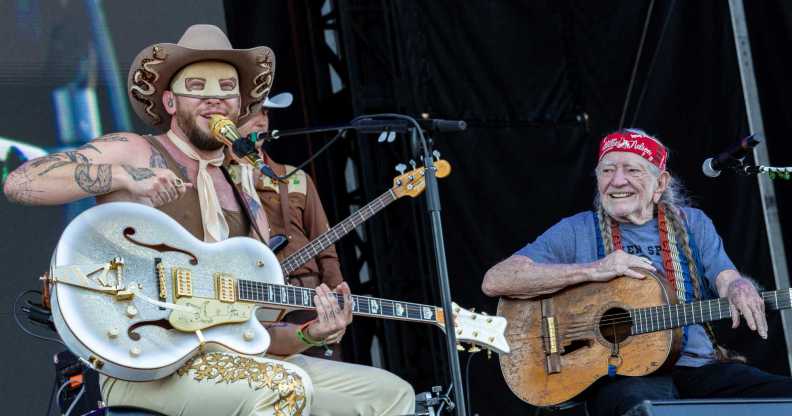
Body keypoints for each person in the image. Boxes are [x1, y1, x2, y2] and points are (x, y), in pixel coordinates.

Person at [3, 24, 414, 416]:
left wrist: (310, 334)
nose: (214, 100)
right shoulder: (136, 151)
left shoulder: (247, 191)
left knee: (390, 395)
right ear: (169, 102)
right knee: (285, 387)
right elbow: (21, 182)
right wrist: (125, 177)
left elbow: (254, 332)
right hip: (141, 361)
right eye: (197, 88)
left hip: (237, 363)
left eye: (226, 90)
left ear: (239, 105)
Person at [481, 129, 792, 416]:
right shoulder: (576, 230)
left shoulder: (692, 223)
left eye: (632, 170)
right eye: (607, 170)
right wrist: (595, 269)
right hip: (626, 378)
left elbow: (726, 277)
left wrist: (739, 286)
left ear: (661, 183)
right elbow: (497, 280)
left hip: (700, 368)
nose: (617, 181)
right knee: (647, 409)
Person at [236, 93, 346, 360]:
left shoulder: (296, 178)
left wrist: (337, 300)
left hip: (308, 300)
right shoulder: (216, 180)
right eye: (253, 113)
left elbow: (326, 248)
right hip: (257, 304)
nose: (261, 121)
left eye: (266, 113)